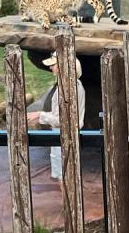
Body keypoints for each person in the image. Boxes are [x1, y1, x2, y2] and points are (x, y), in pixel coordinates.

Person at [26, 54, 86, 183]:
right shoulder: (71, 85)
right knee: (64, 176)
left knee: (64, 178)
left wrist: (40, 115)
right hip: (62, 137)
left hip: (64, 137)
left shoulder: (69, 88)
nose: (51, 68)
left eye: (53, 65)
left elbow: (65, 120)